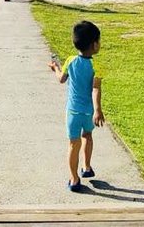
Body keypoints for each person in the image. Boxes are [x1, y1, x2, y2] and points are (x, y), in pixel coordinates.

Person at [48, 21, 105, 192]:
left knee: (73, 143)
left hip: (72, 111)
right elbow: (95, 89)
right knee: (87, 135)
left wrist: (55, 68)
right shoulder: (97, 66)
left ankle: (74, 179)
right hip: (88, 112)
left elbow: (61, 79)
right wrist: (97, 110)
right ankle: (87, 167)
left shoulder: (71, 61)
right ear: (94, 45)